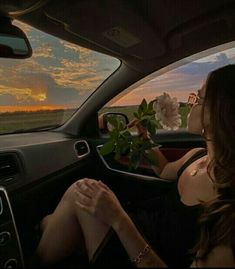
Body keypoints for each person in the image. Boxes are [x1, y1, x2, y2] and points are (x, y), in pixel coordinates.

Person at [34, 65, 235, 267]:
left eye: (199, 99)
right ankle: (47, 225)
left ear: (222, 111)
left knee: (80, 192)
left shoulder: (228, 212)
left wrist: (118, 218)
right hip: (144, 231)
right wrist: (144, 138)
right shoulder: (197, 157)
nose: (191, 103)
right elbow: (164, 170)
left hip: (145, 254)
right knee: (71, 203)